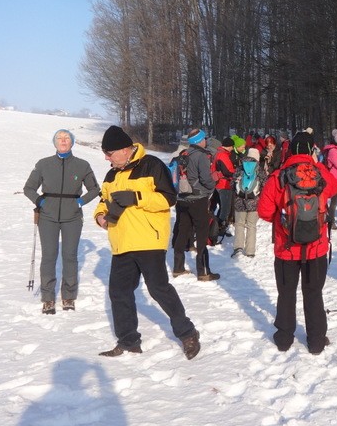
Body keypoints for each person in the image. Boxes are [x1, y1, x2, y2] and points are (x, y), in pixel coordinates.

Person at [94, 125, 200, 359]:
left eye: (109, 153)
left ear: (124, 150)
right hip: (121, 242)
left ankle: (188, 333)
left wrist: (137, 197)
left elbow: (168, 198)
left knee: (158, 289)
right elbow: (103, 201)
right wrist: (100, 216)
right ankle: (128, 341)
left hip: (148, 240)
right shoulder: (112, 174)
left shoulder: (151, 165)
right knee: (119, 293)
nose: (106, 158)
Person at [257, 131, 337, 354]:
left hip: (286, 249)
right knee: (314, 293)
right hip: (316, 248)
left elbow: (264, 211)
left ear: (291, 149)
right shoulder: (320, 173)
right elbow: (335, 188)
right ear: (311, 150)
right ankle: (316, 341)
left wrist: (281, 218)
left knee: (286, 293)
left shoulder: (279, 176)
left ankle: (284, 339)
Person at [24, 129, 101, 314]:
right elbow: (29, 188)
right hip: (48, 217)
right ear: (55, 142)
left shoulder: (82, 165)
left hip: (73, 217)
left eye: (67, 138)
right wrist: (40, 201)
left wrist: (80, 202)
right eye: (59, 138)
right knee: (49, 256)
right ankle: (48, 298)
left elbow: (94, 189)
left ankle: (68, 296)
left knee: (70, 256)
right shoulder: (43, 164)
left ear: (72, 142)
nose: (63, 140)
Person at [172, 129, 219, 281]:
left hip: (182, 199)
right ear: (199, 141)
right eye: (204, 138)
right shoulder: (201, 156)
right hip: (198, 199)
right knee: (202, 233)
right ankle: (203, 271)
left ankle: (178, 267)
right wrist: (212, 186)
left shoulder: (183, 155)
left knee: (182, 230)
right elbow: (206, 178)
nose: (206, 140)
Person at [232, 147, 263, 259]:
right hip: (254, 202)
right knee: (251, 225)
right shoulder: (259, 169)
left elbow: (232, 183)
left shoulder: (240, 167)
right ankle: (250, 251)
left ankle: (238, 248)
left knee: (239, 224)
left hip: (240, 201)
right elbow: (264, 185)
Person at [213, 137, 236, 235]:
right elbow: (227, 171)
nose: (232, 148)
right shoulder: (223, 155)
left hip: (219, 184)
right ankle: (219, 229)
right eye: (232, 146)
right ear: (229, 146)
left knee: (222, 208)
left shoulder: (219, 153)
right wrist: (236, 173)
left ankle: (218, 228)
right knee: (225, 209)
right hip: (224, 184)